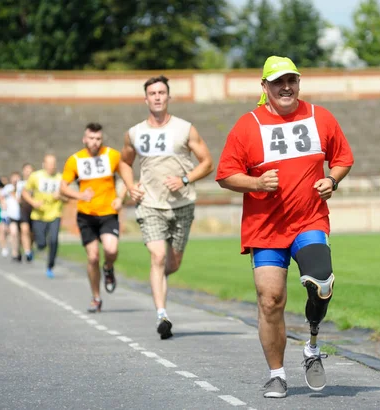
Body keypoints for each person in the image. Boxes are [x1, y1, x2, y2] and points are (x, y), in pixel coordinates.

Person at [215, 56, 354, 398]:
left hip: (309, 220)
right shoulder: (248, 125)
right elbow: (225, 175)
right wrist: (256, 184)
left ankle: (312, 345)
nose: (286, 87)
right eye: (278, 81)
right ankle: (277, 374)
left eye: (291, 79)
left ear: (299, 83)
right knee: (270, 299)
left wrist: (331, 180)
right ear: (265, 87)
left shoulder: (319, 116)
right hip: (265, 228)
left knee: (322, 284)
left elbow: (343, 158)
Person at [120, 75, 214, 340]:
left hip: (182, 204)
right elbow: (124, 162)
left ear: (169, 97)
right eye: (153, 93)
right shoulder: (135, 132)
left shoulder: (185, 129)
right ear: (146, 98)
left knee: (172, 263)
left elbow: (207, 162)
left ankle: (159, 278)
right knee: (158, 256)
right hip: (150, 204)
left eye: (162, 92)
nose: (158, 97)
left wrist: (184, 179)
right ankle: (162, 314)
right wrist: (130, 186)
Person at [61, 123, 124, 313]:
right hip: (86, 215)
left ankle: (109, 268)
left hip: (108, 213)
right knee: (93, 256)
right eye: (91, 138)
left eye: (98, 139)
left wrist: (121, 197)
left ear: (101, 139)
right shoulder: (75, 160)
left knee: (111, 250)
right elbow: (63, 187)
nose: (95, 142)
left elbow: (125, 177)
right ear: (84, 139)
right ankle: (96, 297)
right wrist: (79, 196)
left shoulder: (112, 155)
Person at [22, 154, 66, 278]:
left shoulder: (60, 178)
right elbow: (25, 192)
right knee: (41, 244)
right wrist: (33, 202)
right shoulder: (35, 176)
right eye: (49, 164)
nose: (52, 167)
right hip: (38, 215)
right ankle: (36, 247)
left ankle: (50, 266)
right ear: (44, 164)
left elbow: (68, 197)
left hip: (55, 214)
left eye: (54, 164)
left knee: (54, 240)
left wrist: (61, 196)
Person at [0, 172, 22, 262]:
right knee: (2, 230)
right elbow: (0, 196)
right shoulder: (7, 188)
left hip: (16, 215)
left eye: (17, 178)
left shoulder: (21, 189)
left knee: (14, 233)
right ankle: (4, 248)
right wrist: (2, 202)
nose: (15, 180)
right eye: (14, 178)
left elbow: (20, 200)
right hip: (7, 214)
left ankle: (15, 253)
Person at [17, 163, 35, 262]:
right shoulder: (20, 184)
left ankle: (29, 248)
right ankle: (27, 253)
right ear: (23, 171)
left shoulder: (36, 182)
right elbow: (16, 197)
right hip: (23, 210)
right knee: (24, 230)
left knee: (32, 233)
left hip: (34, 210)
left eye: (30, 170)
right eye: (27, 170)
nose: (28, 172)